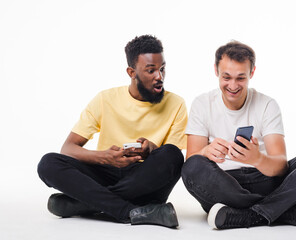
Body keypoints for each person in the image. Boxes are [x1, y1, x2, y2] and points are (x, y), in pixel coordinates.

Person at [181, 41, 296, 230]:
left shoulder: (267, 105)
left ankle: (249, 216)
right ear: (216, 71)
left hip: (265, 179)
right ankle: (280, 209)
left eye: (240, 78)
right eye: (227, 77)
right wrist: (206, 150)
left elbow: (281, 166)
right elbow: (191, 161)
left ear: (252, 73)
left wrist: (257, 159)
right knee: (192, 166)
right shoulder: (202, 104)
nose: (233, 85)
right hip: (223, 186)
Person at [37, 35, 188, 228]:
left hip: (146, 181)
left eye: (162, 69)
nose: (159, 76)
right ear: (131, 72)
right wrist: (105, 157)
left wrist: (152, 149)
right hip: (106, 172)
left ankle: (85, 204)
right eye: (151, 71)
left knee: (173, 154)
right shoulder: (105, 99)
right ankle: (130, 212)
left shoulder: (177, 103)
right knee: (48, 163)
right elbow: (68, 148)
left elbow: (170, 161)